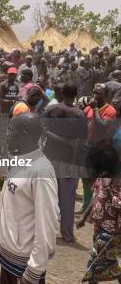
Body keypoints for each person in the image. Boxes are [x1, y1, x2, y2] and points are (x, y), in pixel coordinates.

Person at [0, 113, 59, 284]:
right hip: (10, 257)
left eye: (10, 130)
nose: (6, 134)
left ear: (24, 134)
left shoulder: (41, 171)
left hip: (24, 265)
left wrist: (34, 271)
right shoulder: (19, 160)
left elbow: (47, 224)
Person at [43, 82, 87, 244]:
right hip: (69, 161)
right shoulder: (79, 115)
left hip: (49, 159)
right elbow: (79, 143)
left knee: (46, 196)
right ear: (76, 94)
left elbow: (43, 131)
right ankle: (67, 234)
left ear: (61, 92)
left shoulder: (51, 109)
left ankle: (44, 230)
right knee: (67, 200)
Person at [76, 151, 121, 283]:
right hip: (99, 226)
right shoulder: (102, 177)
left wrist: (109, 189)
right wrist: (83, 217)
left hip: (113, 230)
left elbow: (118, 204)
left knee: (95, 261)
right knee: (108, 260)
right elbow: (95, 197)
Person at [83, 83, 117, 213]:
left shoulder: (110, 110)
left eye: (99, 94)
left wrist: (96, 109)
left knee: (98, 181)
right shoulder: (90, 108)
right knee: (86, 179)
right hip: (88, 147)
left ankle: (96, 209)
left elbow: (102, 125)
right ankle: (86, 206)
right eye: (94, 92)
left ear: (106, 95)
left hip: (101, 150)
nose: (95, 96)